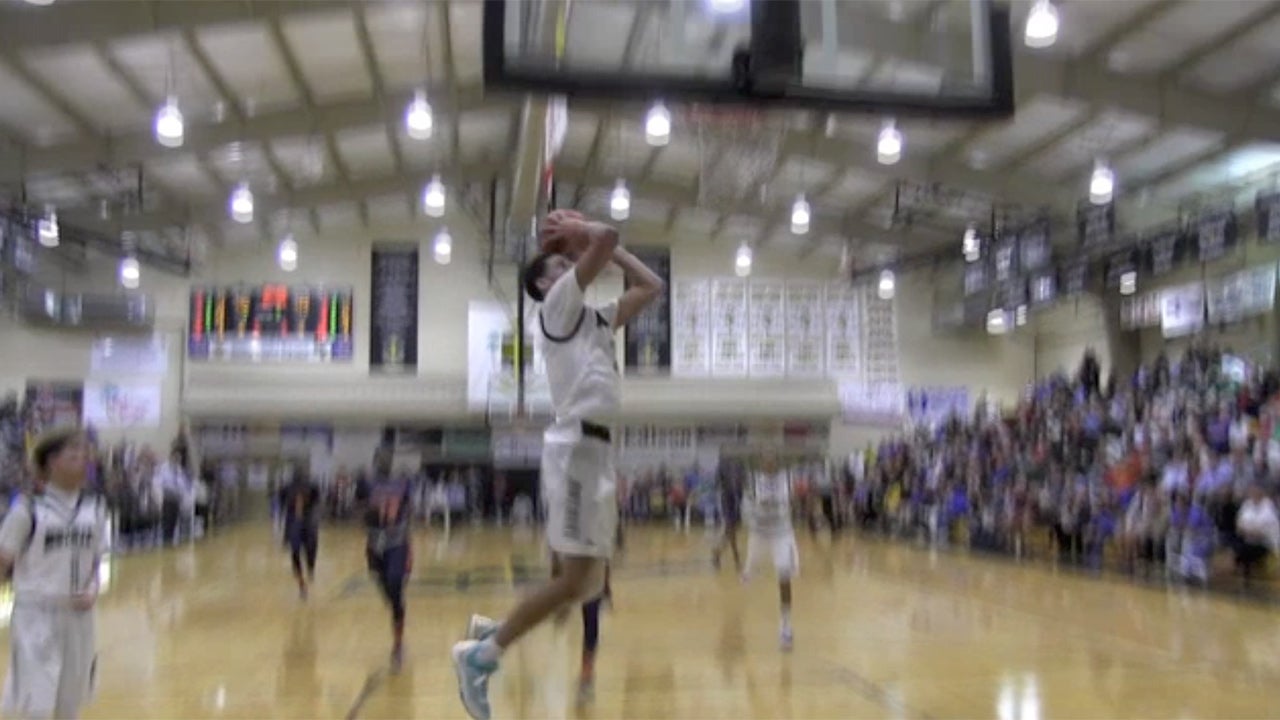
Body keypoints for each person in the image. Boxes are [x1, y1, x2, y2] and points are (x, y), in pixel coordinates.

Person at [451, 209, 663, 720]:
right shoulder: (558, 305)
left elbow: (652, 284)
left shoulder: (594, 316)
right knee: (573, 582)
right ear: (545, 285)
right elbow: (607, 237)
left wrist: (598, 243)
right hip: (577, 451)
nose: (565, 263)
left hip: (597, 453)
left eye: (566, 259)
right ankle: (482, 656)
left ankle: (492, 630)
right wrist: (588, 232)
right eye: (556, 264)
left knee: (587, 583)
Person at [0, 428, 110, 720]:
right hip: (36, 613)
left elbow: (97, 560)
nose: (83, 458)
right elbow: (3, 562)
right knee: (36, 703)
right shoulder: (27, 509)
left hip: (79, 615)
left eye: (85, 452)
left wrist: (93, 589)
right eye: (73, 452)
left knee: (70, 704)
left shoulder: (95, 508)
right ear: (51, 462)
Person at [741, 450, 799, 650]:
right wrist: (754, 509)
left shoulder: (787, 479)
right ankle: (750, 570)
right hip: (758, 533)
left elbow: (794, 500)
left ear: (777, 463)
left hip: (782, 532)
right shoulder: (753, 481)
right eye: (766, 460)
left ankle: (786, 626)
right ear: (761, 463)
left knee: (784, 576)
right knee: (749, 574)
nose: (769, 464)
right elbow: (746, 508)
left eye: (773, 460)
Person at [365, 447, 413, 673]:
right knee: (386, 589)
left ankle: (397, 644)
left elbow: (409, 513)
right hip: (375, 544)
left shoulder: (403, 485)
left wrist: (409, 548)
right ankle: (396, 616)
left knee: (395, 584)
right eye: (380, 460)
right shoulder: (366, 484)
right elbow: (359, 511)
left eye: (386, 460)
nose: (383, 463)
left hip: (397, 543)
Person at [279, 471, 321, 599]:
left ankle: (310, 569)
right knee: (295, 552)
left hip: (307, 521)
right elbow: (282, 501)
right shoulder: (287, 488)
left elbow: (317, 500)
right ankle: (302, 584)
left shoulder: (312, 488)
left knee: (310, 549)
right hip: (295, 522)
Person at [1234, 483, 1279, 579]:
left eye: (1255, 492)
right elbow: (1239, 522)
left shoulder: (1268, 507)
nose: (1253, 494)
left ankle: (1248, 574)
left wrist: (1249, 531)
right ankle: (1245, 572)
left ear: (1261, 493)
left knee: (1246, 550)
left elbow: (1264, 531)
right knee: (1237, 545)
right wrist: (1245, 530)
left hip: (1264, 542)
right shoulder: (1247, 504)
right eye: (1251, 492)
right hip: (1247, 538)